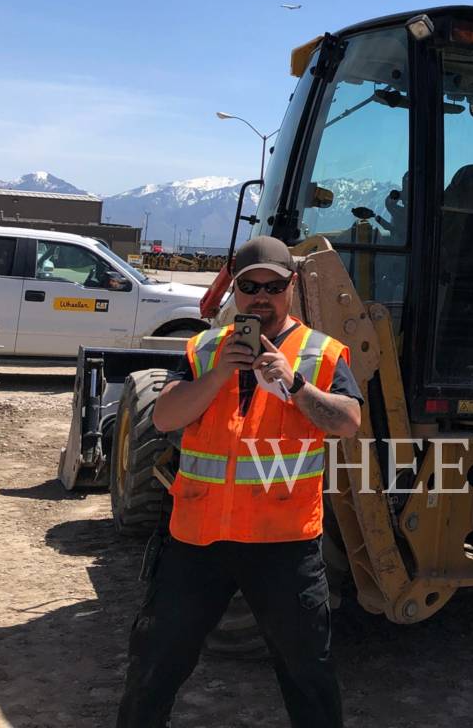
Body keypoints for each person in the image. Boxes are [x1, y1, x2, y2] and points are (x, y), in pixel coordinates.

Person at [117, 236, 364, 728]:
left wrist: (294, 384)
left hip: (283, 544)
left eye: (273, 286)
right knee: (155, 664)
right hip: (198, 539)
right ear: (235, 290)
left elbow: (346, 422)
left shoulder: (320, 354)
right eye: (249, 286)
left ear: (291, 287)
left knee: (307, 673)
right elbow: (165, 417)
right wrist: (217, 376)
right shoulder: (204, 348)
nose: (261, 297)